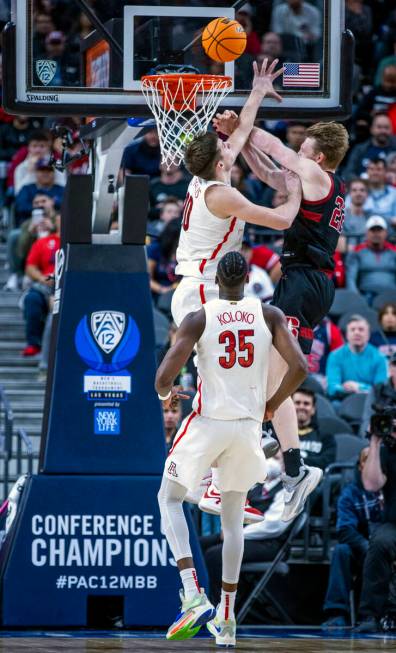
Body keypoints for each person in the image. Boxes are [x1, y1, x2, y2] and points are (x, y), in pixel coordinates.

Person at [173, 58, 320, 522]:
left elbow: (243, 131)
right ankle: (212, 483)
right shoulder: (222, 194)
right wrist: (295, 187)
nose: (229, 146)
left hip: (206, 288)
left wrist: (256, 89)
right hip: (201, 291)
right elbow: (280, 219)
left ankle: (214, 479)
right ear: (219, 162)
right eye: (224, 146)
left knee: (232, 384)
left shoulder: (211, 176)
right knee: (222, 388)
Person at [156, 251, 308, 644]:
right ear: (246, 279)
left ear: (217, 279)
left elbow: (163, 376)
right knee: (232, 521)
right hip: (246, 429)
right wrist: (273, 404)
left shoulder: (200, 316)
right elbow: (301, 368)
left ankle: (192, 593)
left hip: (208, 423)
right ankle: (226, 618)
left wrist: (167, 393)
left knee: (169, 499)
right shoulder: (269, 315)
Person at [322, 447, 383, 628]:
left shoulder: (390, 488)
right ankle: (336, 613)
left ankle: (374, 615)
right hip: (362, 547)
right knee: (341, 551)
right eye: (367, 459)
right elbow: (345, 530)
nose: (373, 462)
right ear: (360, 465)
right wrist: (369, 549)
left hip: (387, 548)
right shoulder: (350, 493)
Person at [356, 401, 396, 632]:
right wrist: (375, 441)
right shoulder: (384, 451)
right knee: (379, 542)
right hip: (392, 522)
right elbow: (371, 484)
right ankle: (369, 615)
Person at [22, 213, 60, 356]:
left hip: (69, 285)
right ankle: (33, 343)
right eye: (60, 219)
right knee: (32, 298)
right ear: (55, 222)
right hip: (47, 284)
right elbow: (30, 267)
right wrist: (42, 278)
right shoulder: (44, 242)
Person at [326, 315, 388, 401]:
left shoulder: (380, 357)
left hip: (370, 401)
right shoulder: (335, 356)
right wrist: (349, 391)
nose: (356, 333)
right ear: (347, 335)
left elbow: (380, 390)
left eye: (361, 329)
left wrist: (358, 387)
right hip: (342, 401)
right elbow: (332, 388)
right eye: (352, 329)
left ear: (368, 335)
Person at [346, 215, 396, 302]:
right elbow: (350, 278)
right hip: (367, 296)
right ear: (367, 233)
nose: (376, 233)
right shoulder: (358, 252)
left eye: (379, 230)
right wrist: (356, 298)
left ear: (386, 233)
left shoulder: (393, 252)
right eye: (373, 230)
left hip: (392, 296)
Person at [293, 387, 336, 470]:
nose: (301, 406)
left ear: (313, 409)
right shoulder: (279, 435)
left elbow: (326, 463)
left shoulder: (326, 438)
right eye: (297, 403)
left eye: (306, 404)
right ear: (291, 407)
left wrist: (295, 462)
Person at [343, 113, 396, 180]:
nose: (383, 131)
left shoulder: (394, 150)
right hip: (363, 188)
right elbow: (348, 173)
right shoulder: (359, 149)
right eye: (379, 127)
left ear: (391, 130)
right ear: (371, 129)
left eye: (386, 127)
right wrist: (361, 184)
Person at [363, 158, 396, 232]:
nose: (375, 173)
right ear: (367, 171)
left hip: (390, 237)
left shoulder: (394, 193)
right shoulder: (358, 191)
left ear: (385, 172)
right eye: (371, 169)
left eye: (378, 169)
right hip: (362, 235)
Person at [342, 178, 370, 249]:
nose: (358, 193)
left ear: (367, 194)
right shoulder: (341, 216)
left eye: (362, 190)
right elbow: (340, 247)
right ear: (349, 194)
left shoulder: (371, 217)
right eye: (354, 190)